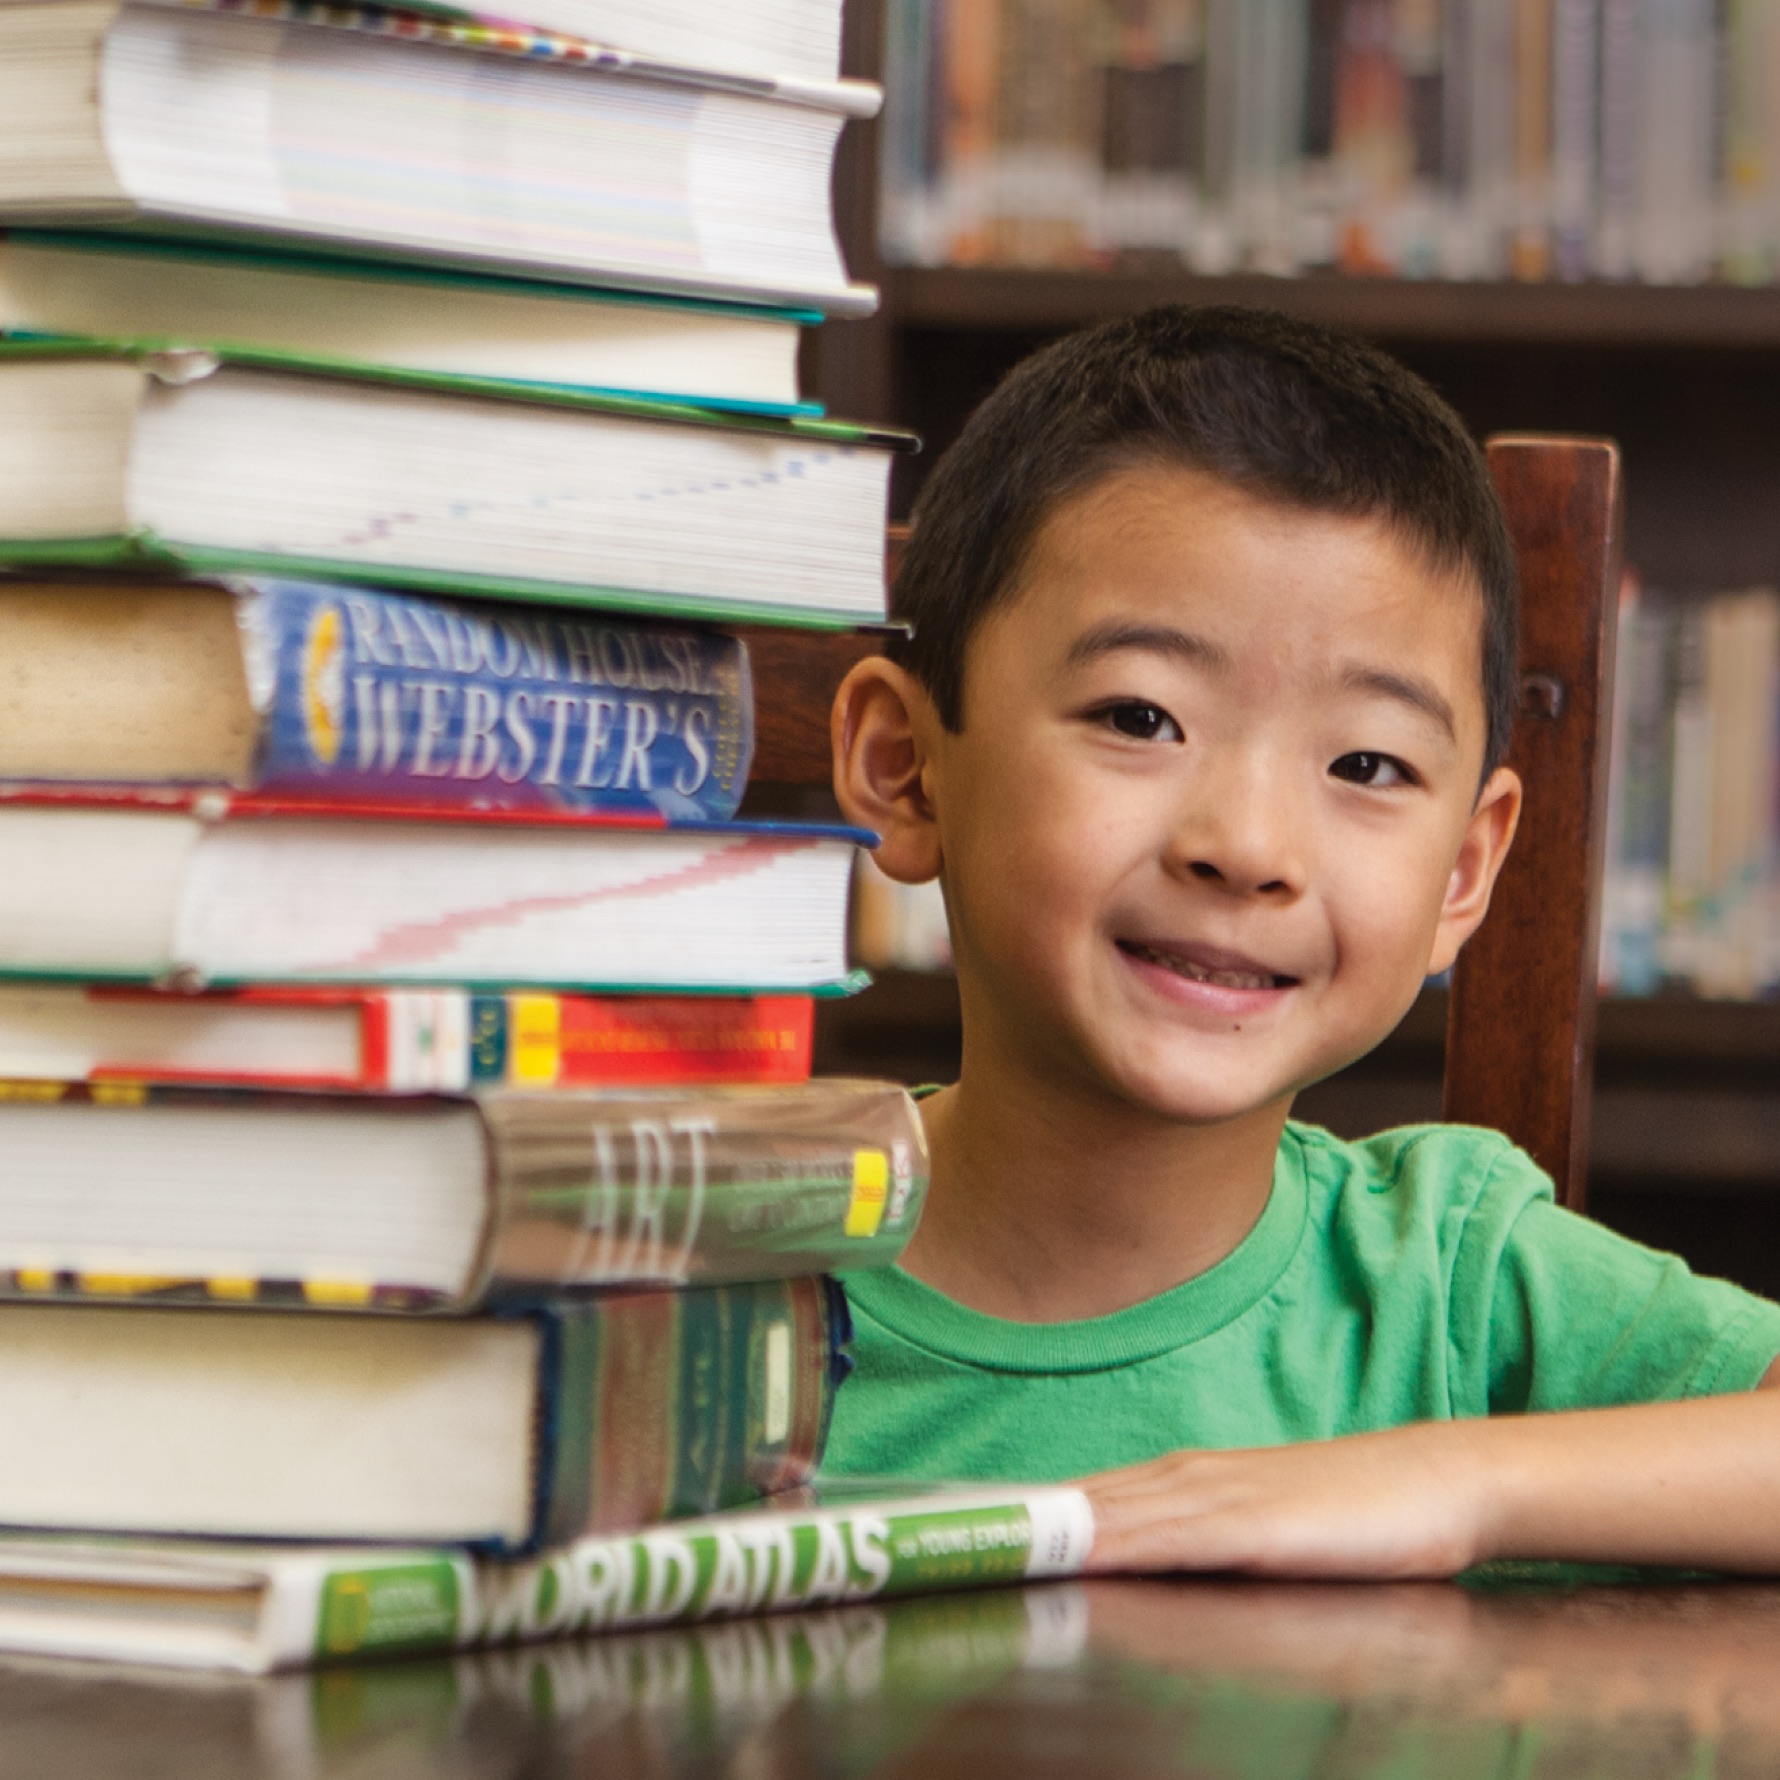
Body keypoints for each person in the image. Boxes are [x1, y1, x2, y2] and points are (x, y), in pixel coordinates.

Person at [819, 305, 1780, 1578]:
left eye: (1368, 763)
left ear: (1465, 870)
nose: (1249, 845)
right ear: (906, 771)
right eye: (1141, 715)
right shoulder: (715, 1245)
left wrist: (1449, 1483)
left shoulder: (1447, 1281)